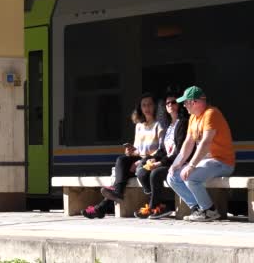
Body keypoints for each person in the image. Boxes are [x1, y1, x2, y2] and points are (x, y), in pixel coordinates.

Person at [81, 93, 162, 219]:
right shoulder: (139, 126)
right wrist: (131, 152)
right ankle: (114, 195)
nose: (147, 108)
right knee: (122, 160)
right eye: (144, 105)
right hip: (140, 160)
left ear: (155, 106)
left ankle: (102, 207)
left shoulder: (159, 125)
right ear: (140, 108)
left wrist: (141, 161)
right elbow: (137, 150)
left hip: (151, 161)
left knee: (121, 178)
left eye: (150, 104)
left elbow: (162, 150)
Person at [166, 86, 234, 222]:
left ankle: (210, 211)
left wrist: (191, 165)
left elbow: (205, 143)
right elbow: (188, 143)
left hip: (222, 163)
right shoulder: (193, 118)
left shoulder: (211, 113)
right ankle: (198, 209)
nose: (184, 106)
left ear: (194, 102)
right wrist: (177, 164)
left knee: (190, 176)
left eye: (185, 102)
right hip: (206, 163)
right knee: (172, 177)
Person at [134, 90, 188, 219]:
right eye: (167, 103)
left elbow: (180, 152)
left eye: (173, 102)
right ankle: (159, 206)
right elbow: (163, 150)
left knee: (156, 173)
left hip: (179, 163)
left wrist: (160, 163)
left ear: (179, 104)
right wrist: (152, 158)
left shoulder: (183, 123)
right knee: (143, 171)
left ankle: (153, 207)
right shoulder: (170, 126)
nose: (170, 104)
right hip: (168, 162)